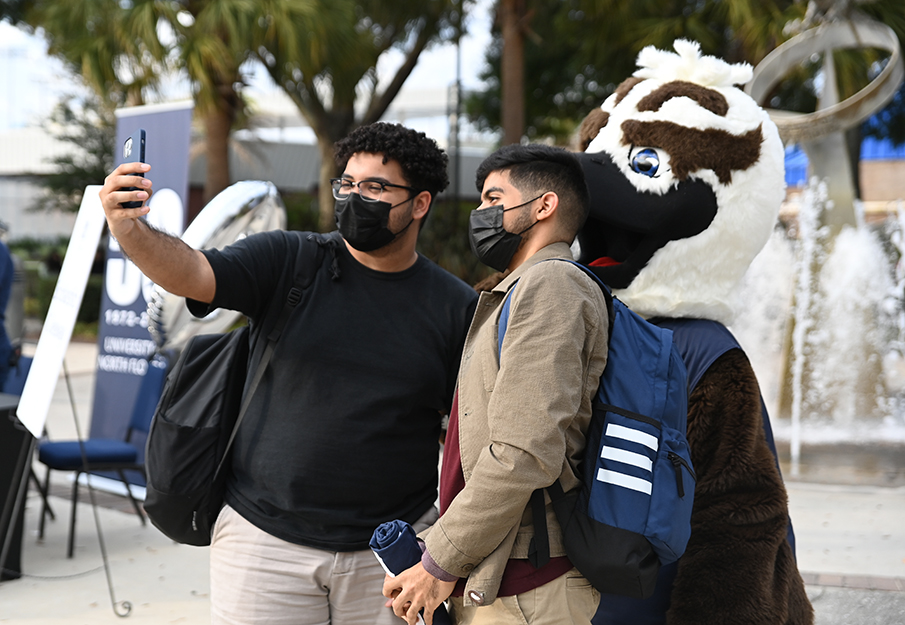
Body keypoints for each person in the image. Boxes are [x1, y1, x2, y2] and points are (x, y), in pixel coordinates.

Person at [99, 122, 478, 625]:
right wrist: (130, 229)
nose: (354, 197)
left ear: (421, 203)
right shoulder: (291, 260)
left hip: (390, 557)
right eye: (346, 183)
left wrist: (442, 552)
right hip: (263, 544)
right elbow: (190, 272)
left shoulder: (456, 307)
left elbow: (465, 435)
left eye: (375, 187)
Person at [383, 144, 609, 625]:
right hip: (501, 576)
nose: (480, 213)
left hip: (529, 587)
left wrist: (440, 559)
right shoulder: (518, 290)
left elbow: (524, 451)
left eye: (492, 198)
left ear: (543, 206)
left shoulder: (551, 286)